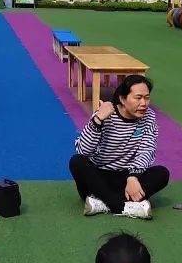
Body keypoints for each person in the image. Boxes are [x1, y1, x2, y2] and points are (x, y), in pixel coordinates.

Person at [69, 74, 170, 220]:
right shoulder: (105, 113)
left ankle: (102, 204)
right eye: (138, 97)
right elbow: (83, 150)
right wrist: (97, 120)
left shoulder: (149, 117)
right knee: (76, 161)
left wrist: (133, 176)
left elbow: (147, 150)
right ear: (123, 99)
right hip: (98, 179)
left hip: (126, 178)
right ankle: (122, 206)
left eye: (147, 97)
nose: (144, 103)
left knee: (162, 173)